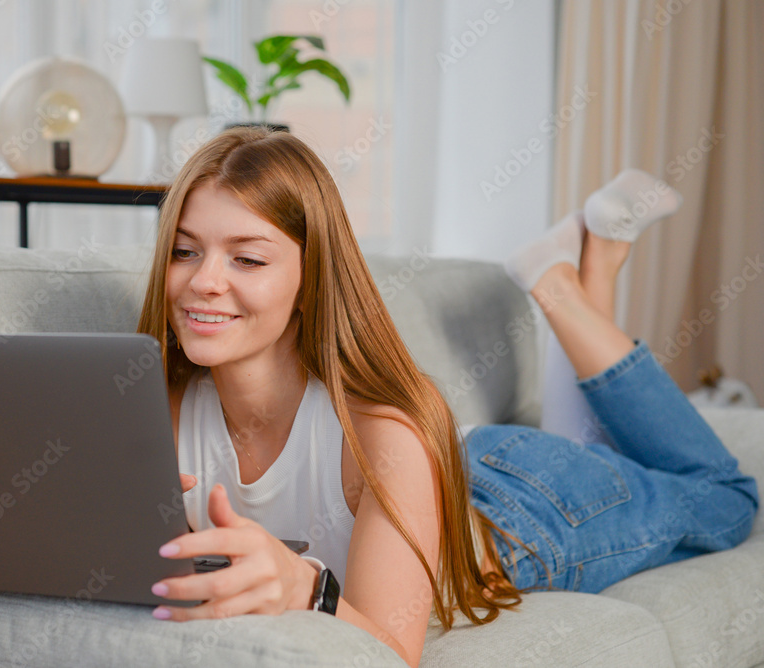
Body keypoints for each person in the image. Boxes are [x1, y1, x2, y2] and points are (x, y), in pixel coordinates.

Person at [135, 127, 758, 667]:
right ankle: (592, 270)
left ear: (310, 280)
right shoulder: (152, 406)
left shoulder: (384, 429)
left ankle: (559, 289)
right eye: (185, 251)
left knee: (725, 500)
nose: (203, 282)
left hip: (520, 508)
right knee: (585, 444)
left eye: (246, 259)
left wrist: (306, 590)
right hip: (451, 472)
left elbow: (390, 650)